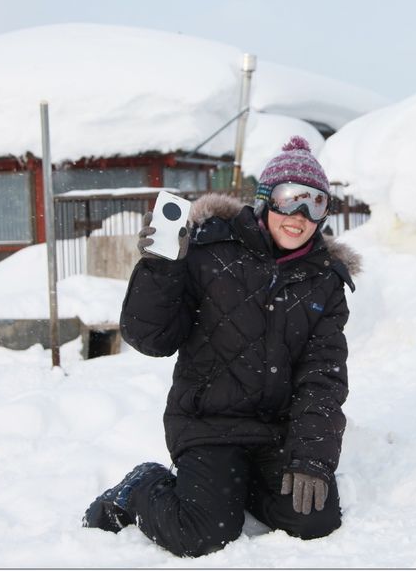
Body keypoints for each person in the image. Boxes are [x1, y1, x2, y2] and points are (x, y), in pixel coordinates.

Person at [82, 136, 360, 557]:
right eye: (290, 199)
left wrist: (312, 458)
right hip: (206, 422)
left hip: (274, 431)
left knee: (315, 520)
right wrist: (161, 269)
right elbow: (151, 338)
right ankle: (140, 488)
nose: (300, 216)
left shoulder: (324, 279)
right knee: (202, 534)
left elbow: (322, 376)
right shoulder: (208, 249)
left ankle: (237, 487)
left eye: (316, 204)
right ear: (266, 200)